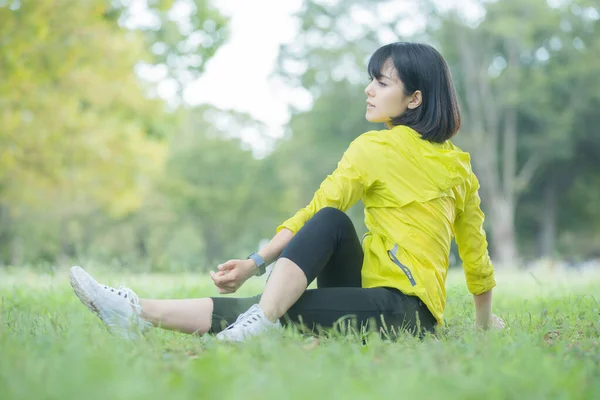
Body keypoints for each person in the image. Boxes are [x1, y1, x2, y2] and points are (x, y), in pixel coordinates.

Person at [69, 42, 505, 342]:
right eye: (371, 79)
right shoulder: (383, 150)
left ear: (414, 99)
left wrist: (483, 329)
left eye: (383, 83)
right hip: (366, 293)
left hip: (407, 313)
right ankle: (142, 314)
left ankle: (138, 313)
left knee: (271, 309)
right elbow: (319, 212)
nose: (368, 90)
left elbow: (475, 255)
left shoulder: (450, 169)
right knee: (330, 224)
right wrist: (255, 262)